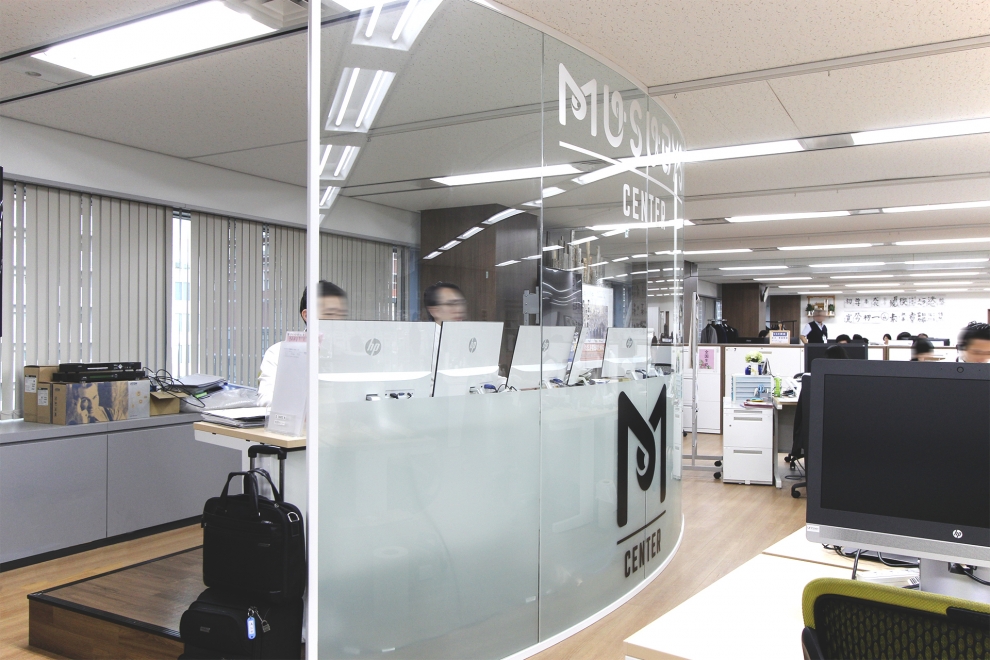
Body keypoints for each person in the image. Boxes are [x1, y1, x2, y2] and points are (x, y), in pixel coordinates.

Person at [256, 280, 347, 406]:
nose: (337, 321)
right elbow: (266, 401)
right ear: (307, 315)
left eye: (341, 315)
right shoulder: (278, 353)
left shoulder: (345, 356)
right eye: (329, 314)